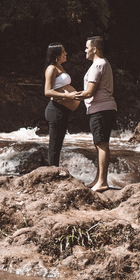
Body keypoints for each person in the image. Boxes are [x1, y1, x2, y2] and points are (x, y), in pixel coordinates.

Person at [76, 36, 117, 191]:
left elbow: (90, 92)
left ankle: (102, 182)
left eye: (87, 48)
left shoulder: (98, 65)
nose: (85, 50)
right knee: (99, 143)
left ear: (94, 49)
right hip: (101, 109)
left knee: (102, 144)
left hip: (101, 109)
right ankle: (98, 179)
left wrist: (69, 97)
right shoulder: (101, 63)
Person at [42, 43, 80, 168]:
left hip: (63, 110)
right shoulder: (51, 68)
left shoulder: (60, 67)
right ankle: (52, 172)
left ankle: (55, 170)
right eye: (63, 52)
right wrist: (68, 96)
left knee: (59, 144)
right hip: (55, 109)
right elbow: (47, 91)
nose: (66, 54)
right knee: (54, 144)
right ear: (56, 54)